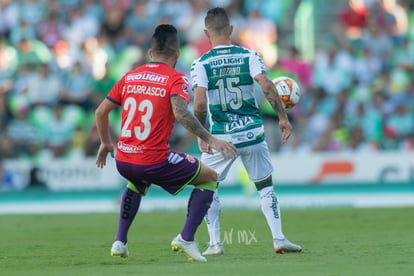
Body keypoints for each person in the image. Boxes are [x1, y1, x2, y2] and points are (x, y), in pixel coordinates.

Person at [95, 24, 237, 263]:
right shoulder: (176, 79)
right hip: (152, 160)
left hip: (123, 159)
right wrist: (209, 137)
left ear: (150, 53)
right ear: (178, 53)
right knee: (210, 178)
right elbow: (181, 113)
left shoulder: (130, 76)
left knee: (136, 182)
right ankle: (186, 238)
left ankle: (120, 241)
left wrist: (105, 142)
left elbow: (100, 112)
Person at [191, 7, 302, 255]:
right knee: (265, 186)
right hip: (252, 132)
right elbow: (267, 86)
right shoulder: (249, 55)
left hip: (221, 138)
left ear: (206, 33)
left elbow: (198, 103)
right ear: (231, 30)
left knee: (206, 187)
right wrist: (283, 118)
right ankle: (278, 238)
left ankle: (215, 243)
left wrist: (202, 135)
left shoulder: (201, 63)